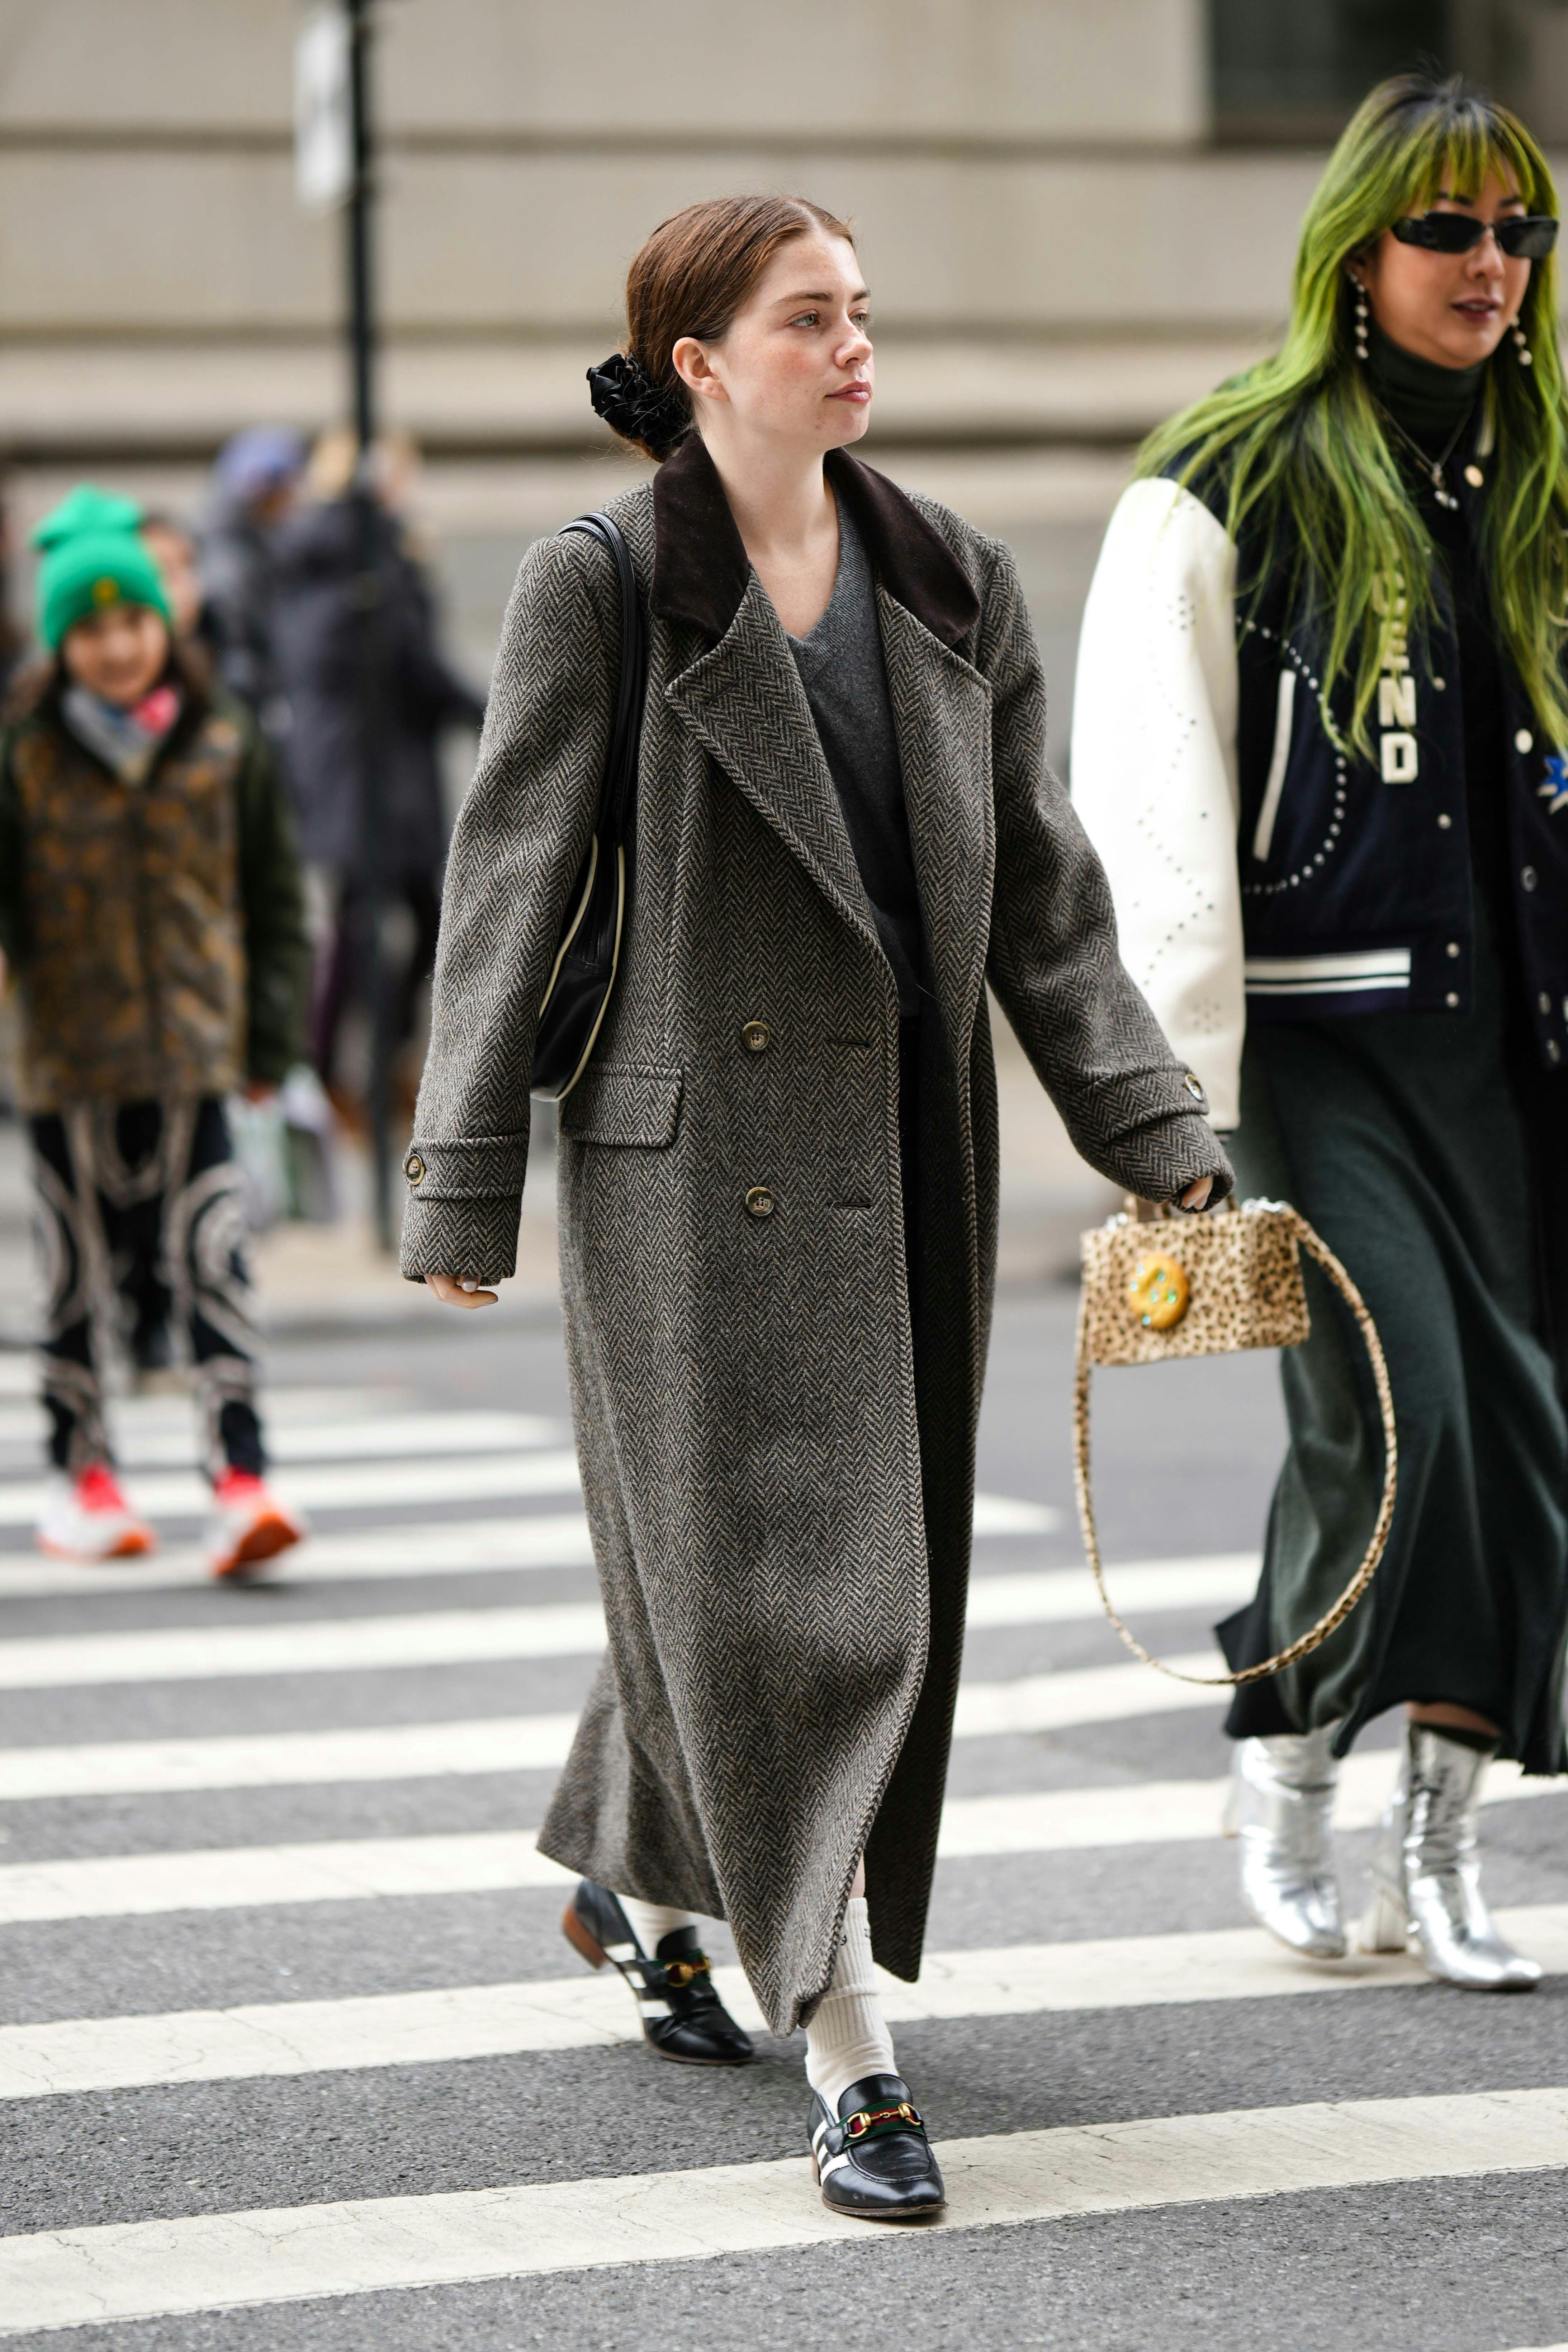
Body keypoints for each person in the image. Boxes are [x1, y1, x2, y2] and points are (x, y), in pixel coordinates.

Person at [401, 194, 1230, 2220]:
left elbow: (1043, 896)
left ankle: (633, 1871)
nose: (856, 346)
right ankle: (847, 2044)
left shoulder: (948, 573)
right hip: (686, 1173)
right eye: (811, 316)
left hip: (903, 1156)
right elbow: (508, 876)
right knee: (806, 1607)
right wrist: (460, 1168)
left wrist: (1157, 1130)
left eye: (864, 312)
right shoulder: (600, 581)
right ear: (701, 362)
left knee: (779, 1582)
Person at [1072, 72, 1568, 1994]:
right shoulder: (1230, 472)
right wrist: (1166, 1110)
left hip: (1530, 1041)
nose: (1489, 265)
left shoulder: (1541, 471)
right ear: (1355, 249)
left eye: (1518, 228)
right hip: (1319, 1043)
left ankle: (1441, 1835)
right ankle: (1282, 1744)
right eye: (1446, 228)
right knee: (1411, 1418)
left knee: (1535, 1448)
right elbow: (1149, 790)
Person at [0, 485, 311, 1576]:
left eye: (131, 621)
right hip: (67, 1069)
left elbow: (276, 903)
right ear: (60, 642)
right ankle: (83, 1475)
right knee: (78, 1282)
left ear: (162, 622)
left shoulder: (224, 741)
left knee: (213, 1264)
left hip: (196, 1058)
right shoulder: (23, 752)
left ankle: (240, 1475)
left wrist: (272, 1045)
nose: (118, 646)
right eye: (89, 630)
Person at [271, 430, 486, 1124]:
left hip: (361, 763)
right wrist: (492, 710)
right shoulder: (368, 553)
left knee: (378, 916)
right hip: (370, 769)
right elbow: (411, 661)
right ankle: (344, 1065)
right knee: (385, 919)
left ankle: (350, 1062)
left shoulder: (329, 550)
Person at [198, 425, 305, 728]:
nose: (292, 503)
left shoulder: (258, 548)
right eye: (286, 491)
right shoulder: (230, 561)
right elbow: (236, 651)